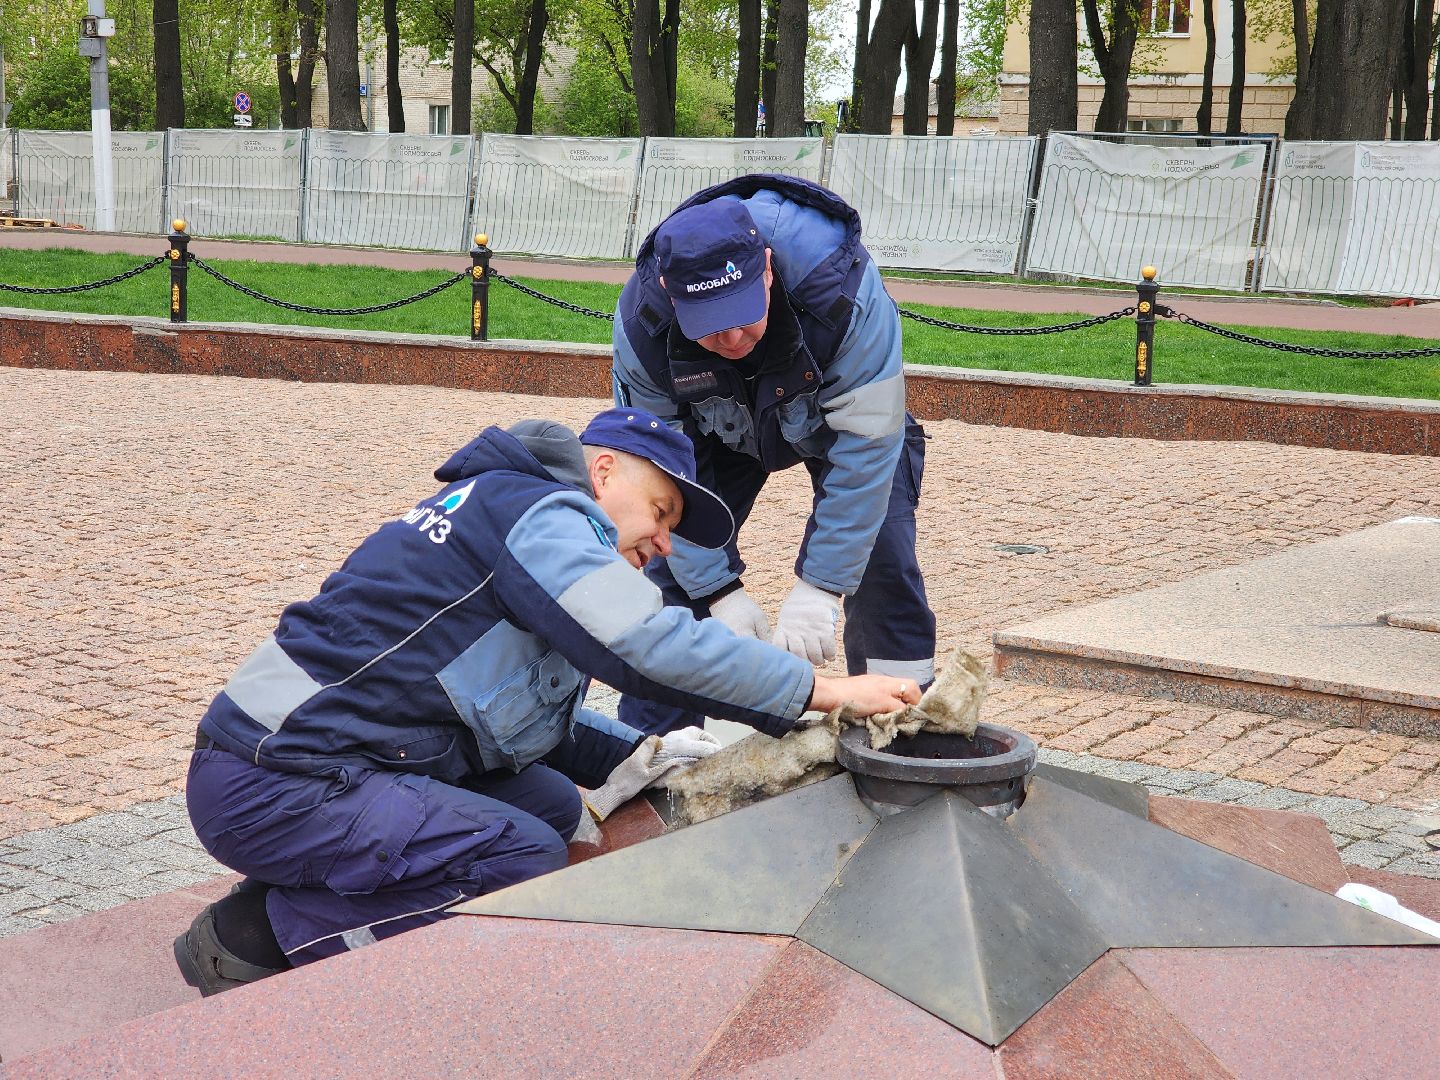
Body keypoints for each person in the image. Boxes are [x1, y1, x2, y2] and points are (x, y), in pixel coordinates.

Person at [174, 406, 918, 996]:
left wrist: (643, 755)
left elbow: (517, 716)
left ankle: (322, 876)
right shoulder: (539, 515)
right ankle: (257, 937)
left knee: (555, 808)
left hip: (322, 760)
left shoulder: (508, 514)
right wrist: (821, 691)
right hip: (272, 783)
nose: (664, 542)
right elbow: (642, 645)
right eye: (660, 511)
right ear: (602, 473)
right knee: (521, 855)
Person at [612, 173, 937, 736]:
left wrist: (822, 587)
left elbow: (865, 448)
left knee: (881, 559)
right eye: (711, 328)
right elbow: (657, 470)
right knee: (662, 561)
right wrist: (716, 590)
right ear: (669, 290)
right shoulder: (644, 324)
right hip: (716, 429)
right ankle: (656, 749)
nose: (734, 341)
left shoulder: (841, 289)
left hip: (838, 422)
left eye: (743, 317)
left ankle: (904, 728)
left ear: (765, 267)